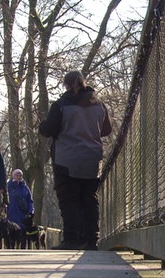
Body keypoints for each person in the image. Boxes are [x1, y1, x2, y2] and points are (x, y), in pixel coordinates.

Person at [39, 70, 112, 250]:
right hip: (92, 159)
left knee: (69, 199)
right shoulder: (99, 105)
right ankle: (91, 240)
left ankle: (72, 239)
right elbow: (107, 130)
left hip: (66, 159)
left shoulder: (61, 105)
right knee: (90, 199)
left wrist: (43, 125)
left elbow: (50, 129)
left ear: (66, 85)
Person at [6, 169, 34, 249]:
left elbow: (30, 201)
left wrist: (31, 211)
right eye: (17, 175)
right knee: (11, 236)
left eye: (20, 175)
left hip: (22, 215)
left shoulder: (25, 188)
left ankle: (23, 251)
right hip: (11, 215)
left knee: (22, 235)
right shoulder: (8, 187)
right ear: (13, 176)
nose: (19, 177)